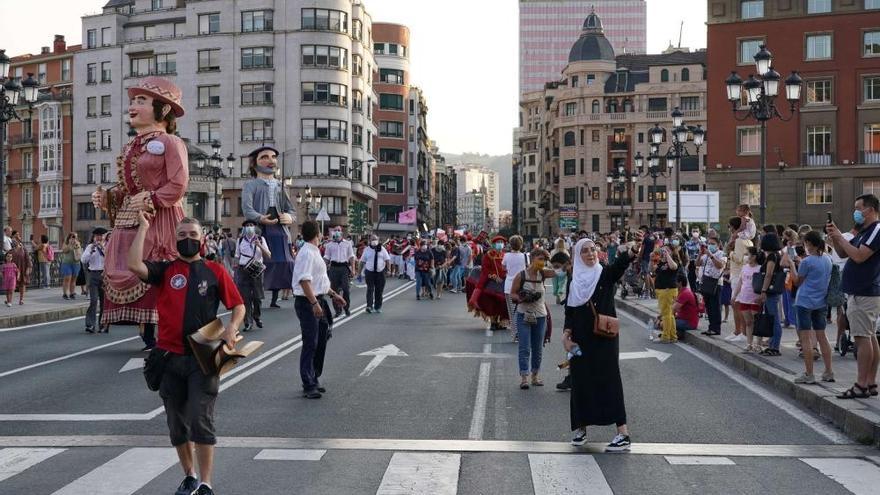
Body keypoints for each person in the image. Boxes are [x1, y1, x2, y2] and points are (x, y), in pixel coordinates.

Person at [128, 211, 244, 495]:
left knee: (201, 420)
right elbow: (133, 264)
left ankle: (206, 483)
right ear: (174, 240)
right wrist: (143, 227)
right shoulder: (165, 271)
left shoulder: (215, 271)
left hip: (203, 356)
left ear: (202, 239)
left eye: (193, 235)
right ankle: (189, 476)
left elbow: (238, 305)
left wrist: (231, 328)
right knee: (177, 425)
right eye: (182, 236)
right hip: (168, 358)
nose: (188, 240)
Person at [91, 76, 188, 348]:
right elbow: (127, 187)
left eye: (141, 100)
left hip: (160, 218)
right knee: (129, 267)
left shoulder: (171, 142)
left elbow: (178, 184)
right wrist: (108, 198)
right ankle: (148, 332)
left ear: (164, 110)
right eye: (132, 100)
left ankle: (164, 330)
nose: (133, 106)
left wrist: (154, 198)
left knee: (157, 269)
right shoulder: (130, 146)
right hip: (128, 219)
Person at [563, 237, 636, 451]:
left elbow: (618, 267)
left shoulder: (603, 273)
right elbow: (570, 309)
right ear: (578, 255)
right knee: (580, 380)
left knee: (609, 380)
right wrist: (566, 334)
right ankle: (581, 429)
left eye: (593, 249)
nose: (590, 254)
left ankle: (623, 433)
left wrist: (631, 252)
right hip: (580, 338)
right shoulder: (574, 279)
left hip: (604, 337)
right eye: (584, 251)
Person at [827, 193, 880, 399]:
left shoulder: (876, 229)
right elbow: (843, 254)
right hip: (860, 290)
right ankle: (870, 382)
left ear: (870, 209)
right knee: (869, 336)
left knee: (862, 337)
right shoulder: (864, 231)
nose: (856, 212)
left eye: (859, 208)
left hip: (864, 291)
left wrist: (841, 237)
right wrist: (836, 237)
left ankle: (861, 384)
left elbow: (858, 256)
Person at [292, 221, 347, 399]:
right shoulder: (307, 253)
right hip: (308, 302)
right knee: (311, 342)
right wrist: (314, 303)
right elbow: (304, 281)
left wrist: (333, 295)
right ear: (318, 234)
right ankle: (308, 383)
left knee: (322, 338)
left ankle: (313, 377)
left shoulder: (314, 252)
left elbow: (319, 280)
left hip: (319, 298)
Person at [240, 146, 296, 309]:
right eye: (264, 157)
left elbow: (291, 209)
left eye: (273, 157)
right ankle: (254, 295)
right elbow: (247, 209)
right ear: (254, 163)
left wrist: (289, 217)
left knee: (283, 260)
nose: (271, 160)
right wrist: (260, 218)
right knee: (257, 261)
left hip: (279, 229)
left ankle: (275, 297)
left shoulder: (280, 186)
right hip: (259, 229)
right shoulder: (250, 185)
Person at [785, 230, 834, 384]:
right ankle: (828, 371)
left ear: (809, 244)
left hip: (804, 301)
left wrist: (793, 265)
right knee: (822, 337)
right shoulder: (827, 259)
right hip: (821, 301)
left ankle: (809, 373)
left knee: (806, 338)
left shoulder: (807, 261)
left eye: (805, 242)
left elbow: (797, 281)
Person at [510, 248, 555, 389]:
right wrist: (522, 297)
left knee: (537, 348)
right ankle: (524, 377)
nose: (542, 262)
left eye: (544, 260)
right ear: (532, 258)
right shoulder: (521, 276)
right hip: (524, 314)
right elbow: (512, 294)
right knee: (524, 347)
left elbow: (561, 270)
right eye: (540, 259)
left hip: (541, 316)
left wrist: (559, 258)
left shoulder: (543, 273)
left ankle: (535, 376)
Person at [235, 219, 270, 332]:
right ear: (244, 228)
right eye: (247, 226)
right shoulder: (240, 240)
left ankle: (257, 316)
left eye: (251, 225)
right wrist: (235, 270)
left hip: (256, 270)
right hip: (243, 270)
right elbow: (237, 256)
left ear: (255, 227)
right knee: (245, 298)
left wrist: (259, 245)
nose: (249, 227)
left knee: (257, 297)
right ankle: (248, 322)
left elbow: (268, 255)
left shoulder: (261, 239)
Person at [468, 235, 509, 329]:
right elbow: (485, 269)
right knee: (491, 302)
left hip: (503, 281)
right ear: (494, 244)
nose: (500, 244)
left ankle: (501, 321)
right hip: (491, 280)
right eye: (498, 242)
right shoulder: (488, 255)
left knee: (502, 302)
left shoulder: (504, 255)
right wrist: (494, 277)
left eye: (501, 242)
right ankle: (493, 322)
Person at [755, 231, 784, 356]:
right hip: (772, 291)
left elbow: (769, 274)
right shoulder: (777, 255)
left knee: (774, 318)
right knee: (772, 318)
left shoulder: (772, 257)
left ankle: (775, 347)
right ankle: (772, 344)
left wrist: (763, 291)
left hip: (770, 291)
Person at [733, 247, 762, 352]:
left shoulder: (760, 268)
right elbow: (741, 282)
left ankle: (758, 344)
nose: (746, 256)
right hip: (744, 298)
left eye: (748, 254)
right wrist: (735, 295)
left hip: (755, 299)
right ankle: (749, 344)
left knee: (757, 322)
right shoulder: (744, 267)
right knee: (748, 322)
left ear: (754, 256)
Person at [81, 228, 108, 334]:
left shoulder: (108, 245)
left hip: (105, 275)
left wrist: (103, 248)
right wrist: (91, 251)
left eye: (101, 236)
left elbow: (110, 258)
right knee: (93, 300)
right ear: (94, 237)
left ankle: (102, 325)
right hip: (93, 274)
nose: (99, 238)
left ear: (104, 236)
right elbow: (83, 260)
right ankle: (90, 324)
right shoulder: (90, 247)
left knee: (104, 302)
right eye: (97, 236)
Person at [324, 227, 356, 317]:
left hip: (344, 268)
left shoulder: (347, 244)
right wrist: (323, 268)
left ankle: (346, 308)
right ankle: (337, 310)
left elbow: (351, 256)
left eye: (339, 230)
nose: (337, 232)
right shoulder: (329, 245)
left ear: (342, 232)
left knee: (346, 289)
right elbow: (326, 257)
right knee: (334, 290)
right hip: (334, 268)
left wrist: (353, 269)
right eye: (335, 230)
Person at [699, 236, 727, 337]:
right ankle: (711, 327)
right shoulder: (706, 254)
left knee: (715, 306)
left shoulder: (721, 254)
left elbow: (720, 266)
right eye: (709, 243)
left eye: (712, 243)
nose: (710, 245)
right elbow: (698, 263)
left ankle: (716, 328)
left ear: (718, 245)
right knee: (709, 307)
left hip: (716, 283)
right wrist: (700, 254)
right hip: (706, 282)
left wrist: (711, 255)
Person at [653, 243, 681, 343]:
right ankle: (673, 336)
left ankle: (665, 336)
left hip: (668, 290)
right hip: (662, 290)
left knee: (666, 314)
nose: (664, 252)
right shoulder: (662, 262)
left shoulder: (674, 261)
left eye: (667, 250)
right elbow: (653, 270)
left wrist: (668, 255)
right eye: (663, 250)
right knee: (670, 314)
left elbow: (674, 267)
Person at [360, 234, 390, 313]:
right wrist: (359, 272)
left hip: (380, 272)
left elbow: (387, 260)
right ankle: (369, 306)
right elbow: (362, 261)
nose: (374, 241)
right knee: (370, 289)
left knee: (379, 290)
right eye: (372, 239)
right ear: (369, 241)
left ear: (378, 240)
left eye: (375, 239)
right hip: (370, 272)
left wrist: (389, 270)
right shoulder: (367, 249)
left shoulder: (382, 249)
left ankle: (378, 306)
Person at [671, 274, 699, 339]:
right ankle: (676, 334)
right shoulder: (681, 292)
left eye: (675, 281)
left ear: (680, 283)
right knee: (666, 320)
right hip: (683, 319)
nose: (674, 283)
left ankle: (673, 334)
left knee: (665, 322)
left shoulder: (685, 293)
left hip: (689, 323)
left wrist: (662, 318)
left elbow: (673, 308)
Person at [9, 231, 31, 305]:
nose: (13, 242)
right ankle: (9, 299)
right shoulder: (10, 250)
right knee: (12, 285)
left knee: (22, 284)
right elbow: (7, 259)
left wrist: (28, 268)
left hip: (22, 268)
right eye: (13, 241)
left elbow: (28, 259)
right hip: (12, 269)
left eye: (15, 241)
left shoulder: (23, 249)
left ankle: (21, 299)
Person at [60, 233, 82, 300]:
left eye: (75, 237)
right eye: (73, 237)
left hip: (76, 263)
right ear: (69, 237)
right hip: (67, 263)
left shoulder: (77, 243)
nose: (74, 238)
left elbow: (79, 252)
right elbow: (64, 251)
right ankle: (65, 293)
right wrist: (70, 244)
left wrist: (76, 245)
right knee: (67, 278)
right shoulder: (66, 243)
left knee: (74, 279)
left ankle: (72, 293)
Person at [550, 238, 569, 304]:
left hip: (554, 270)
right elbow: (568, 261)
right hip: (562, 270)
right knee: (561, 283)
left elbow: (550, 261)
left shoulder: (552, 251)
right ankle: (559, 292)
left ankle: (556, 293)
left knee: (555, 283)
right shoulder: (566, 252)